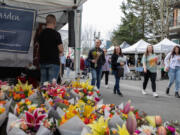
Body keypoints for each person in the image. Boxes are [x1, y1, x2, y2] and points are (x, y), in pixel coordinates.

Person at [37, 14, 63, 83]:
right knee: (52, 87)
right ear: (54, 22)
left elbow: (38, 48)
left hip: (42, 62)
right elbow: (61, 49)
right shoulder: (56, 34)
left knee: (43, 85)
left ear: (46, 22)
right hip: (53, 63)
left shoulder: (41, 33)